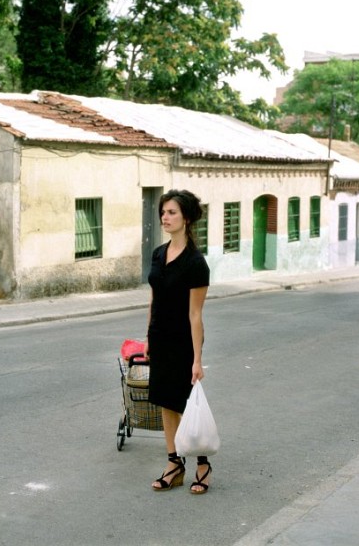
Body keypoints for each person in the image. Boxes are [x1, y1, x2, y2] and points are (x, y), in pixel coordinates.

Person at [143, 189, 212, 494]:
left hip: (183, 341)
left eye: (171, 212)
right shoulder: (159, 253)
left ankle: (202, 464)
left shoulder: (196, 263)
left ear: (186, 218)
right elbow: (153, 299)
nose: (165, 217)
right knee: (165, 403)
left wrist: (197, 359)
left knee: (186, 405)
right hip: (159, 339)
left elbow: (195, 314)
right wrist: (148, 336)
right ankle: (174, 463)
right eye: (163, 212)